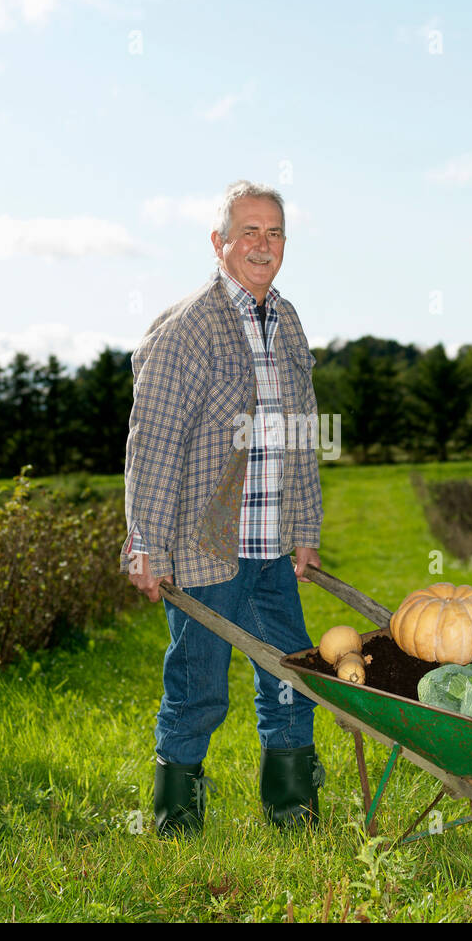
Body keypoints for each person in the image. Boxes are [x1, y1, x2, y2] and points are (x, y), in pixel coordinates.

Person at [119, 180, 325, 837]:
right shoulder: (188, 329)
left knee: (292, 676)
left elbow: (304, 429)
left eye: (275, 233)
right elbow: (152, 444)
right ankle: (175, 818)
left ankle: (291, 807)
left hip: (270, 546)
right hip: (208, 548)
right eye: (250, 232)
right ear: (219, 243)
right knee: (198, 685)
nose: (263, 246)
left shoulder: (285, 320)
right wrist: (145, 543)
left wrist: (306, 528)